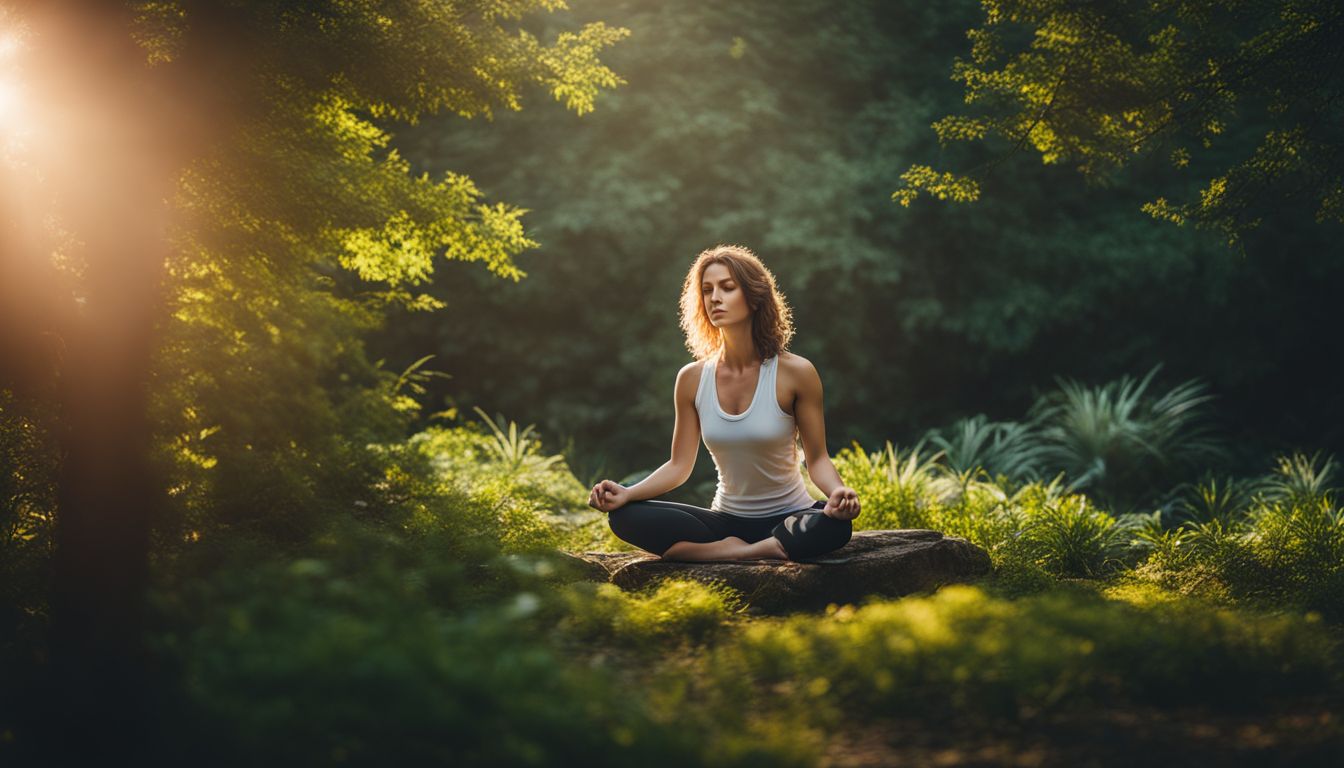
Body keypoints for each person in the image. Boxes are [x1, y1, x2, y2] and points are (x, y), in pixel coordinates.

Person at [588, 243, 860, 562]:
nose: (715, 297)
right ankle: (760, 549)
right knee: (625, 517)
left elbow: (817, 459)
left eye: (727, 287)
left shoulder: (796, 372)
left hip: (790, 516)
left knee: (835, 527)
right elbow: (679, 466)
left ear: (754, 296)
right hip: (724, 523)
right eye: (707, 290)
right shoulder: (691, 378)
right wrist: (627, 493)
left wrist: (837, 494)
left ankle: (732, 553)